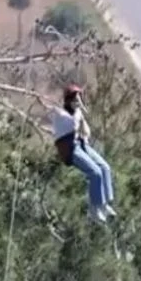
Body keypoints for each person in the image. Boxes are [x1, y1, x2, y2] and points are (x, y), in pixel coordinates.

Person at [50, 85, 117, 223]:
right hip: (69, 149)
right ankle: (94, 210)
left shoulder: (77, 113)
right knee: (95, 173)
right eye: (75, 99)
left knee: (105, 168)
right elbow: (72, 124)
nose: (78, 101)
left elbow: (86, 132)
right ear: (69, 101)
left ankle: (105, 205)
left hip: (80, 144)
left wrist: (81, 117)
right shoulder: (61, 114)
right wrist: (79, 112)